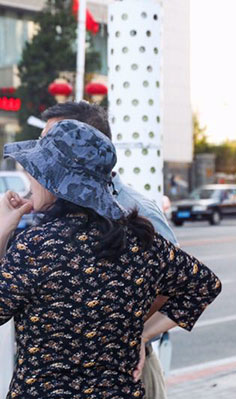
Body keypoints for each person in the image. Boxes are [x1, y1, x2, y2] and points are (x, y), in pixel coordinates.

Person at [0, 119, 221, 398]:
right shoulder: (141, 241)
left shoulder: (37, 247)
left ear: (55, 181)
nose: (31, 179)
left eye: (36, 172)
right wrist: (141, 335)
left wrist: (3, 229)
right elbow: (204, 286)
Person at [39, 101, 178, 398]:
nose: (40, 152)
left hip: (126, 371)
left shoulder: (136, 210)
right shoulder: (50, 205)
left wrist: (133, 332)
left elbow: (178, 286)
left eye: (50, 143)